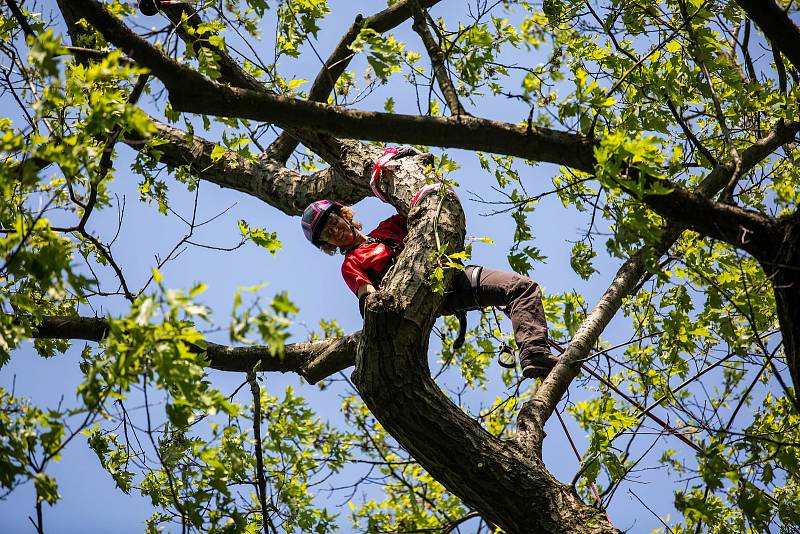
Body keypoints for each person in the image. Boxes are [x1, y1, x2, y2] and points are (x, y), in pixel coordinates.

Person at [301, 198, 558, 379]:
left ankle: (534, 352)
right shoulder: (351, 264)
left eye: (334, 222)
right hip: (431, 295)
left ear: (344, 216)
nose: (335, 231)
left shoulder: (387, 228)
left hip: (451, 274)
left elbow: (424, 209)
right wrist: (375, 308)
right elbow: (366, 293)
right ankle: (535, 355)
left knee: (520, 288)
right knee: (520, 288)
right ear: (326, 244)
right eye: (327, 234)